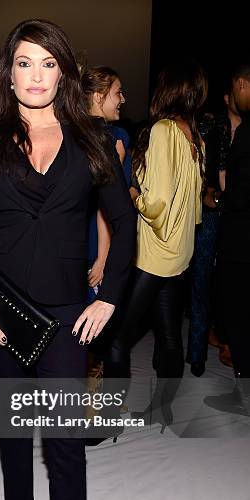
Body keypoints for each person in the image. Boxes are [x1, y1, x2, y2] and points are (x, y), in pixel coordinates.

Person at [0, 19, 136, 500]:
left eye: (48, 63)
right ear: (10, 71)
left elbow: (126, 225)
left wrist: (107, 297)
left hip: (63, 315)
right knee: (14, 429)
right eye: (25, 63)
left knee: (61, 439)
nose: (36, 75)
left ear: (64, 71)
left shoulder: (92, 140)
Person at [103, 60, 208, 430]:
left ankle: (106, 421)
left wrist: (133, 192)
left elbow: (157, 203)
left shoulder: (164, 130)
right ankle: (162, 411)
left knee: (116, 337)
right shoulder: (193, 134)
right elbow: (195, 206)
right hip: (181, 251)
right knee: (167, 335)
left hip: (156, 252)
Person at [205, 64, 250, 414]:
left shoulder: (248, 131)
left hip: (241, 243)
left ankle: (244, 395)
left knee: (236, 315)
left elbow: (241, 193)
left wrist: (217, 198)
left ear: (241, 84)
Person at [187, 87, 241, 377]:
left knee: (231, 280)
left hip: (237, 216)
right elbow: (195, 166)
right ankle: (196, 352)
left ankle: (228, 341)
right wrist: (203, 192)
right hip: (209, 213)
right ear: (228, 94)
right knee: (201, 279)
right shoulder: (209, 123)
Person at [81, 66, 131, 304]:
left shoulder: (73, 132)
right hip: (95, 239)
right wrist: (103, 258)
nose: (123, 99)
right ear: (99, 97)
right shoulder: (110, 139)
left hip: (85, 235)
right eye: (118, 92)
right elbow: (108, 205)